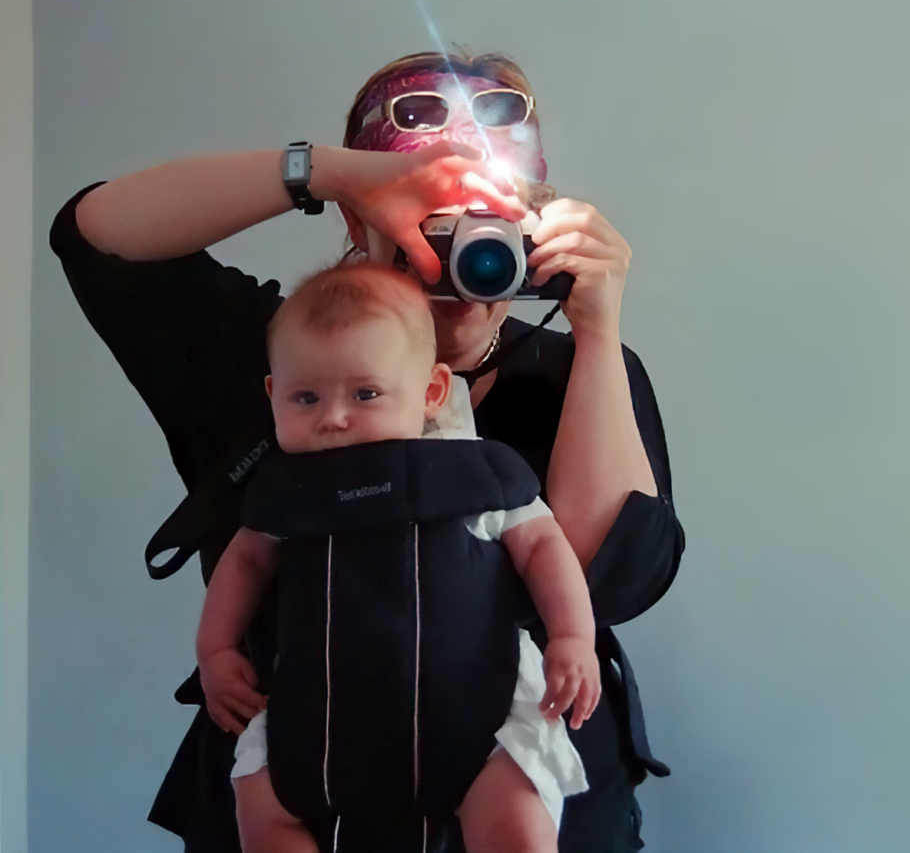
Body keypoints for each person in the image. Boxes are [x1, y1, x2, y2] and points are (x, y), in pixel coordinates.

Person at [51, 49, 682, 852]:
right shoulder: (285, 361)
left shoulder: (583, 369)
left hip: (528, 813)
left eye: (485, 222)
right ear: (361, 221)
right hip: (296, 793)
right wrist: (331, 173)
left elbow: (607, 577)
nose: (458, 257)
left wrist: (597, 329)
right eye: (430, 222)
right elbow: (93, 235)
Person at [199, 262, 598, 852]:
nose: (334, 417)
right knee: (263, 806)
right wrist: (215, 650)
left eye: (366, 393)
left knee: (516, 819)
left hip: (478, 715)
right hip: (322, 723)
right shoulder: (285, 493)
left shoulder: (477, 473)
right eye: (305, 396)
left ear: (432, 392)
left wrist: (571, 636)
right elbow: (245, 562)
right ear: (273, 392)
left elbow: (543, 543)